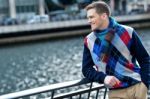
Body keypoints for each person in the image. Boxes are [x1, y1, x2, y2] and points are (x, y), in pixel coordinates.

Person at [82, 1, 150, 99]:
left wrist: (145, 84)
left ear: (104, 16)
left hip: (137, 87)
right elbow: (86, 69)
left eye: (91, 17)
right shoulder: (89, 40)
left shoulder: (127, 31)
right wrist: (103, 78)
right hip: (115, 92)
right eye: (88, 17)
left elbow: (144, 59)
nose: (89, 21)